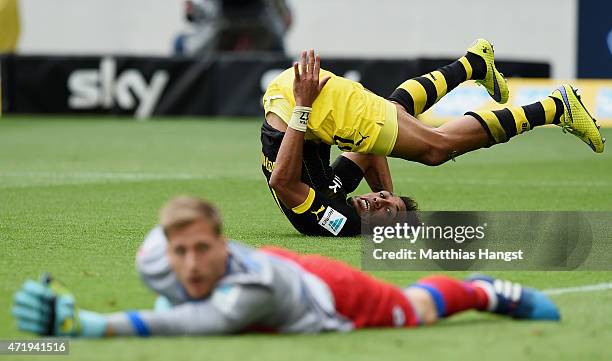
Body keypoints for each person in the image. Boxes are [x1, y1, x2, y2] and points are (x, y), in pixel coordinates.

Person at [12, 196, 559, 337]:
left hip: (329, 295)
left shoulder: (254, 286)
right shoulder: (159, 254)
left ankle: (484, 291)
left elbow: (190, 324)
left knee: (411, 310)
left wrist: (86, 325)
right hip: (285, 266)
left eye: (203, 249)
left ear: (223, 244)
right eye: (182, 252)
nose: (191, 262)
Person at [261, 40, 604, 237]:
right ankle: (473, 65)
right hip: (299, 103)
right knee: (396, 117)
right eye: (386, 202)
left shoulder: (338, 222)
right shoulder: (339, 194)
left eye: (383, 209)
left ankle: (554, 107)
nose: (377, 201)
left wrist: (303, 105)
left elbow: (282, 181)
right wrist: (389, 195)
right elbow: (366, 149)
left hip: (302, 101)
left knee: (435, 148)